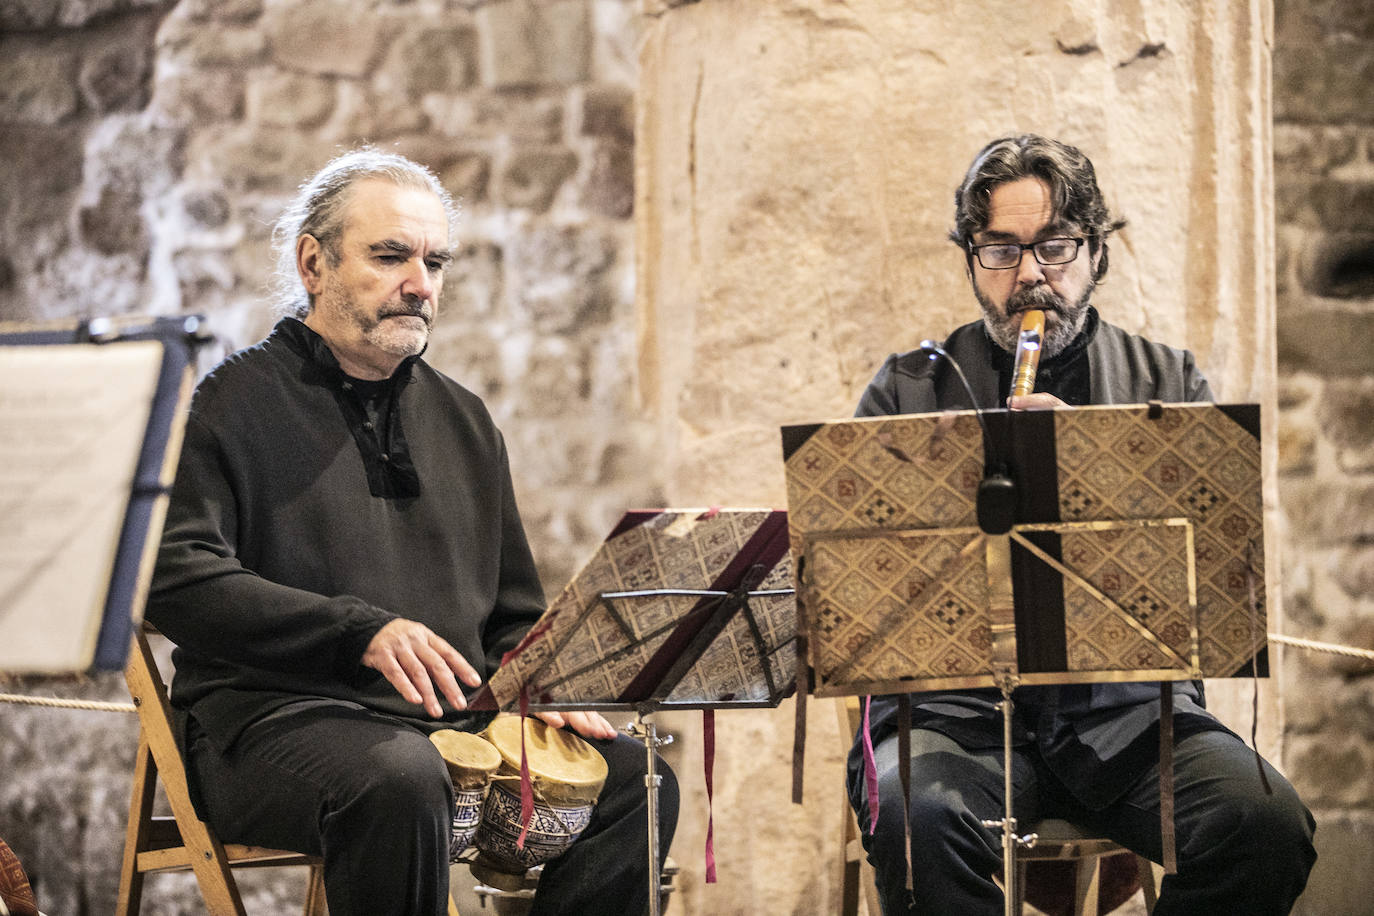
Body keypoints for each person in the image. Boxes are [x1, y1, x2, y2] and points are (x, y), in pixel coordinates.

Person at [148, 148, 678, 916]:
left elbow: (511, 613)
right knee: (400, 781)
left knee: (637, 781)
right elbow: (176, 580)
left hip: (450, 722)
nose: (420, 283)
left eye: (435, 262)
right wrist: (355, 632)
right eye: (390, 255)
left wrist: (535, 679)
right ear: (313, 263)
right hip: (269, 721)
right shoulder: (230, 402)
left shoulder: (463, 418)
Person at [846, 134, 1315, 915]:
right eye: (1000, 249)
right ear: (971, 260)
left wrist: (1092, 472)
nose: (1030, 274)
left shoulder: (1168, 382)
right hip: (955, 717)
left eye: (1055, 245)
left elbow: (1212, 585)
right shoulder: (905, 388)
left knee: (1265, 823)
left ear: (1096, 252)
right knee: (915, 820)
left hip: (1127, 715)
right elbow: (857, 597)